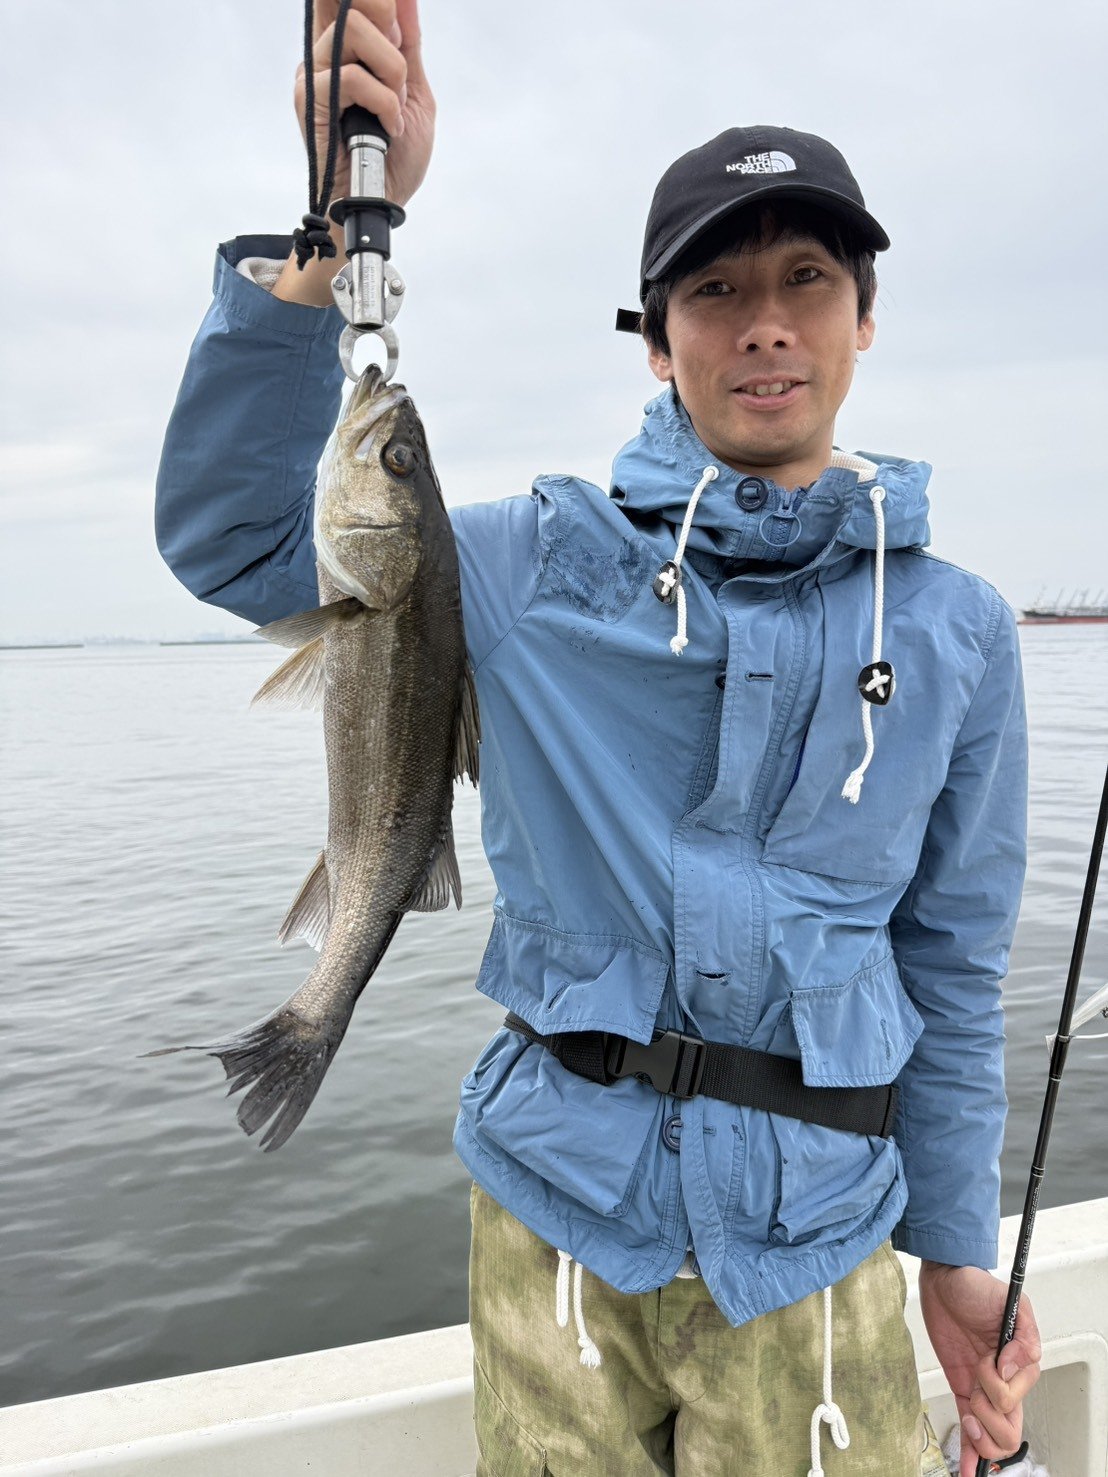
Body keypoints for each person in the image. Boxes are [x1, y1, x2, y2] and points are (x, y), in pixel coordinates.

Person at [155, 2, 1044, 1472]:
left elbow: (951, 966)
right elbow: (238, 541)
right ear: (656, 339)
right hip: (554, 1220)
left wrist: (955, 1248)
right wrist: (326, 252)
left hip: (817, 1244)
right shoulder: (526, 566)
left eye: (808, 279)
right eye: (714, 288)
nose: (764, 322)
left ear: (865, 316)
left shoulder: (957, 629)